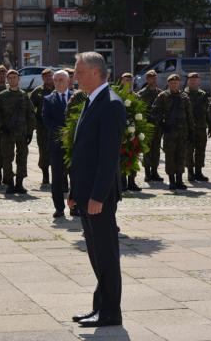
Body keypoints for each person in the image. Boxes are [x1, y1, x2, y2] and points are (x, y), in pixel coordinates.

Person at [67, 52, 126, 328]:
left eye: (79, 72)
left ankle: (111, 312)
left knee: (106, 254)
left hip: (98, 196)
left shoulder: (111, 104)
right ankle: (100, 307)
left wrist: (97, 196)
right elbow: (82, 152)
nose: (75, 77)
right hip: (86, 192)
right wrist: (74, 191)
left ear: (94, 72)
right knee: (96, 253)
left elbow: (107, 157)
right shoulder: (92, 101)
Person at [0, 69, 35, 194]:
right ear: (7, 80)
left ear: (18, 79)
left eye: (14, 77)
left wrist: (30, 131)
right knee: (7, 158)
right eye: (9, 78)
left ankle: (20, 183)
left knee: (22, 158)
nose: (12, 80)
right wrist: (1, 126)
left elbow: (30, 113)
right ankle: (9, 183)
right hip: (7, 133)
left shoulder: (24, 96)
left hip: (22, 133)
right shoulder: (2, 95)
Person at [152, 74, 194, 190]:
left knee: (181, 155)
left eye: (176, 83)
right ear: (168, 83)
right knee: (170, 156)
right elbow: (155, 112)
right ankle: (172, 180)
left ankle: (180, 180)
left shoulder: (184, 97)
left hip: (182, 131)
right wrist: (162, 124)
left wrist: (191, 130)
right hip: (169, 131)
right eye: (172, 83)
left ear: (179, 83)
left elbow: (189, 115)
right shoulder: (163, 96)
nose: (174, 84)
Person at [42, 70, 73, 218]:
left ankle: (75, 206)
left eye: (61, 80)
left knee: (76, 176)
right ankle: (59, 208)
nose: (58, 82)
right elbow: (46, 120)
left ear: (68, 81)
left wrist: (71, 131)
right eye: (56, 80)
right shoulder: (48, 99)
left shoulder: (77, 97)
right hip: (56, 143)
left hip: (74, 144)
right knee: (57, 178)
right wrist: (62, 132)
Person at [29, 68, 55, 185]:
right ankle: (45, 175)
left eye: (50, 76)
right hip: (42, 127)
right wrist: (35, 121)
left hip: (57, 126)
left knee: (56, 151)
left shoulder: (58, 89)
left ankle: (58, 175)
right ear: (42, 78)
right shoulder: (37, 91)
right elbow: (30, 108)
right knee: (43, 151)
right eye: (46, 77)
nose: (48, 78)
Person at [138, 70, 163, 182]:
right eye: (150, 77)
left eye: (154, 77)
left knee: (156, 150)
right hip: (146, 126)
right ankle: (147, 173)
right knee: (147, 150)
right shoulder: (142, 94)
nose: (153, 79)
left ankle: (155, 171)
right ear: (147, 79)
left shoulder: (161, 94)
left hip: (157, 126)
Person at [184, 72, 210, 182]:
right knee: (189, 151)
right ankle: (190, 172)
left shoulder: (203, 94)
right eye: (191, 80)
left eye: (196, 80)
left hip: (201, 127)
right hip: (188, 127)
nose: (194, 82)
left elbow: (207, 111)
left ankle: (199, 172)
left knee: (200, 151)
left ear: (199, 81)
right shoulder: (183, 94)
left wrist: (210, 125)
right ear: (188, 81)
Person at [120, 72, 141, 192]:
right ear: (122, 81)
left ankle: (132, 182)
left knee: (134, 155)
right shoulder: (118, 95)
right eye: (126, 80)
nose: (128, 82)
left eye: (130, 80)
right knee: (122, 156)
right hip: (122, 131)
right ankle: (122, 182)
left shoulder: (136, 96)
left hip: (134, 130)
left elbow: (141, 112)